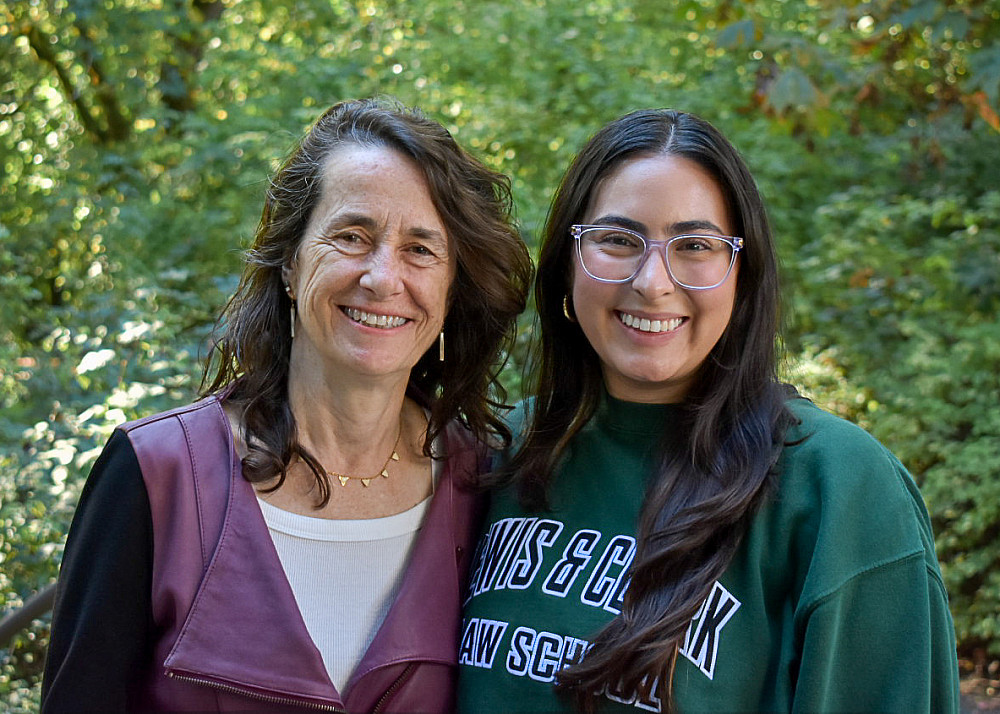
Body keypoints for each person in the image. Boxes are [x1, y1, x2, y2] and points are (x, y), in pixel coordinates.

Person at [457, 109, 959, 713]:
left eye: (695, 245)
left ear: (741, 275)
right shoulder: (503, 451)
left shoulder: (839, 488)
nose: (653, 280)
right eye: (618, 240)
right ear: (569, 262)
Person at [41, 97, 531, 713]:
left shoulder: (485, 484)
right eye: (352, 236)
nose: (383, 277)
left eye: (420, 250)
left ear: (452, 289)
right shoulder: (157, 476)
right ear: (291, 263)